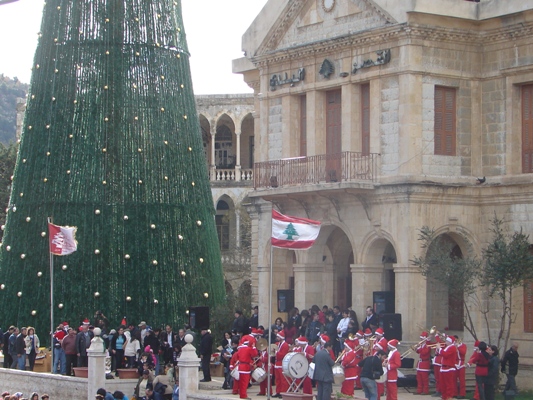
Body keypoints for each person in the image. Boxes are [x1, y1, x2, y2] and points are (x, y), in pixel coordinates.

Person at [439, 336, 458, 400]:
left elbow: (445, 355)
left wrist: (439, 348)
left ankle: (449, 397)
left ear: (450, 342)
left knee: (449, 384)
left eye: (447, 341)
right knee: (443, 384)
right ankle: (444, 397)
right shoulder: (447, 347)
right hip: (444, 368)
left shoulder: (452, 347)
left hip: (449, 368)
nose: (445, 342)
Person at [274, 331, 290, 397]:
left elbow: (283, 355)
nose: (277, 338)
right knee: (277, 379)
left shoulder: (285, 345)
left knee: (283, 379)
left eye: (278, 337)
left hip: (281, 363)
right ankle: (278, 391)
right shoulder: (278, 344)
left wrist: (276, 352)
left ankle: (283, 392)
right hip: (277, 363)